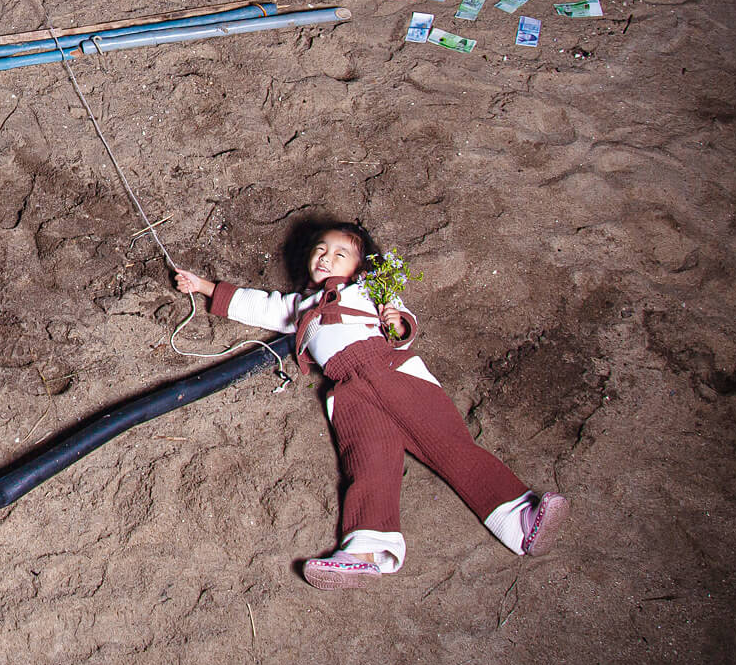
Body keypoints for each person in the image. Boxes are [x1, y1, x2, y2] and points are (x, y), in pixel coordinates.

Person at [172, 221, 569, 589]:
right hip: (347, 389)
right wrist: (203, 286)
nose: (325, 257)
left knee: (448, 446)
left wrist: (395, 322)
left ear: (360, 267)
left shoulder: (368, 291)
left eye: (339, 253)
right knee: (368, 463)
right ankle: (365, 549)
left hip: (389, 370)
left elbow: (402, 327)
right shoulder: (299, 307)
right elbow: (256, 304)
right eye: (319, 250)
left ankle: (521, 518)